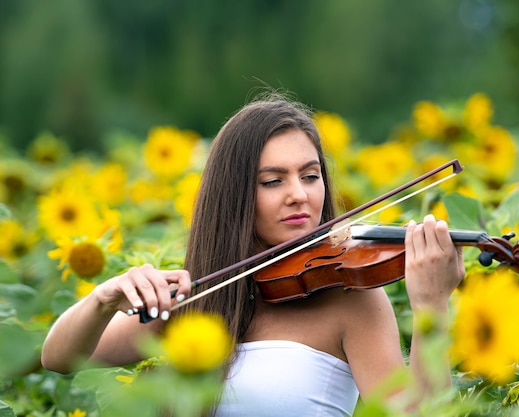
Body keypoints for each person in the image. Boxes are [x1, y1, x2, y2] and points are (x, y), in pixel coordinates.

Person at [41, 94, 465, 416]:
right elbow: (59, 358)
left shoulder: (350, 299)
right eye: (272, 181)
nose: (299, 195)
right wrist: (103, 299)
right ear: (235, 196)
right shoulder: (196, 300)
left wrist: (432, 307)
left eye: (310, 175)